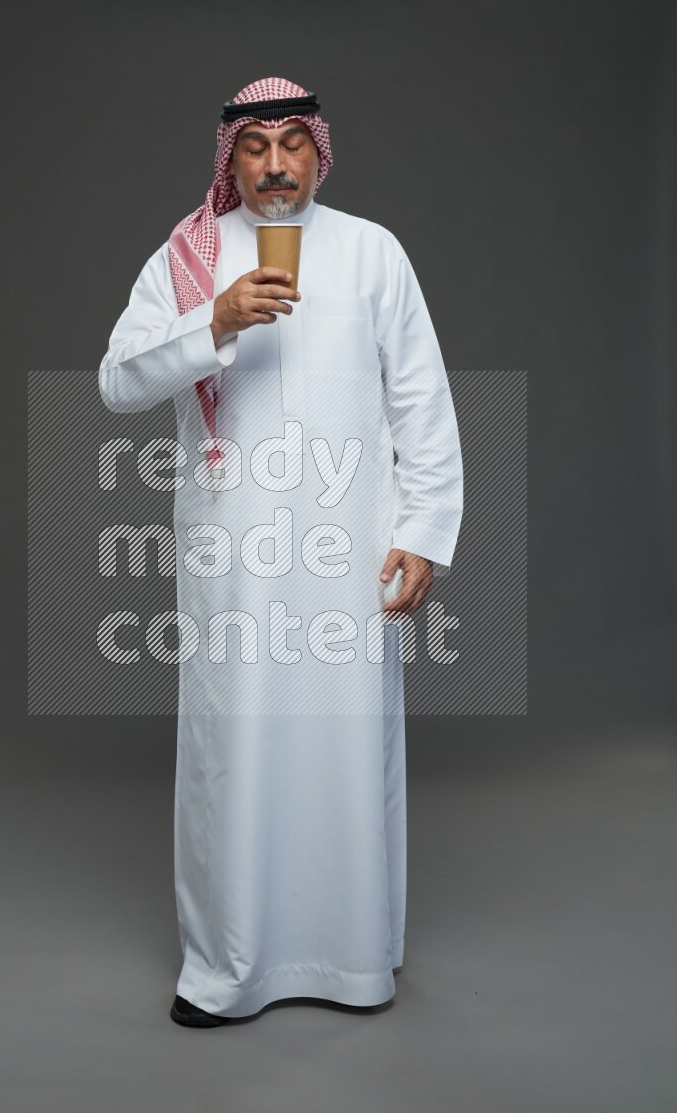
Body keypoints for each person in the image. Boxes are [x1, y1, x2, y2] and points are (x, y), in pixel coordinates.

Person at [98, 77, 463, 1027]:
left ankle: (353, 962)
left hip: (351, 552)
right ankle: (226, 970)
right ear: (232, 156)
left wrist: (423, 532)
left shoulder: (372, 252)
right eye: (254, 145)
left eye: (291, 143)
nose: (273, 164)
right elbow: (117, 381)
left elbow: (419, 399)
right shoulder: (191, 257)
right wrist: (210, 322)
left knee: (349, 743)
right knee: (234, 748)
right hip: (235, 552)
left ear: (318, 152)